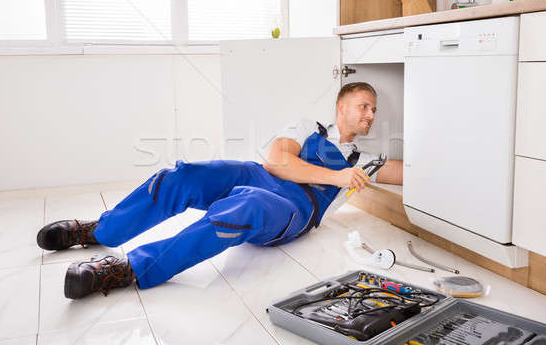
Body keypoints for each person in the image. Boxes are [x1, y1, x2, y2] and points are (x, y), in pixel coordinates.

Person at [36, 82, 403, 299]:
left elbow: (416, 175)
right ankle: (101, 231)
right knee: (182, 176)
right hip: (257, 173)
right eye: (363, 106)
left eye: (374, 109)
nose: (370, 115)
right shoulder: (307, 125)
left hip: (293, 207)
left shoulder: (366, 159)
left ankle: (128, 269)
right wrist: (338, 178)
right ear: (341, 106)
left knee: (248, 206)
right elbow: (277, 162)